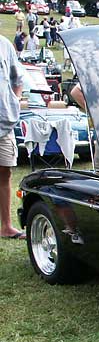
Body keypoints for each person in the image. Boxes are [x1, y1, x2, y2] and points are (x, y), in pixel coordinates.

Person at [0, 33, 25, 239]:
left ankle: (6, 227)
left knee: (5, 172)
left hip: (3, 122)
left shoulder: (4, 44)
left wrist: (15, 100)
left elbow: (17, 77)